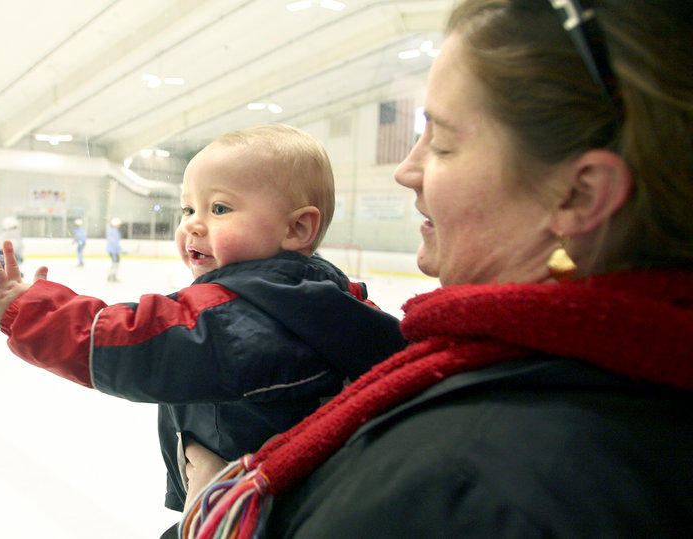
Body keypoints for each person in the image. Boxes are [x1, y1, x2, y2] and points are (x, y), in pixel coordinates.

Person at [179, 2, 693, 537]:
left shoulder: (469, 481)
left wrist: (215, 511)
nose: (407, 169)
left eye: (442, 143)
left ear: (580, 193)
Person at [0, 124, 406, 517]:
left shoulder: (243, 318)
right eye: (187, 209)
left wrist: (31, 312)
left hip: (248, 511)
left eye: (220, 209)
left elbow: (136, 343)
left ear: (296, 230)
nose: (193, 225)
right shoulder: (314, 292)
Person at [106, 217, 122, 281]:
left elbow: (115, 242)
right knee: (115, 263)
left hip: (114, 250)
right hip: (113, 251)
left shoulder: (114, 231)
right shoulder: (113, 232)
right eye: (118, 225)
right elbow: (113, 242)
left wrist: (118, 249)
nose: (119, 226)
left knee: (115, 263)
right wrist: (117, 249)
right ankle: (112, 276)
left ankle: (112, 276)